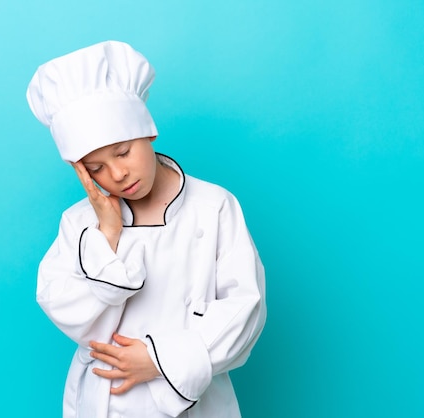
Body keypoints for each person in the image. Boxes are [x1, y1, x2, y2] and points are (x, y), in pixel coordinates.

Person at [26, 40, 266, 418]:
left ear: (149, 132)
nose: (117, 174)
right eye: (95, 168)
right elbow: (67, 309)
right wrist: (107, 234)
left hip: (194, 402)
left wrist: (160, 360)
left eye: (122, 152)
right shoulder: (80, 223)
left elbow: (245, 308)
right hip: (107, 402)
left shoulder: (214, 206)